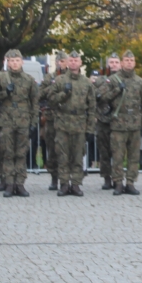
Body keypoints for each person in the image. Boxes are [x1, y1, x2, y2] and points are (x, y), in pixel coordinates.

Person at [0, 49, 39, 197]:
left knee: (21, 153)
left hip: (23, 120)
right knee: (7, 153)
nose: (14, 63)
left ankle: (20, 184)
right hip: (5, 120)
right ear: (7, 62)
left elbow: (34, 103)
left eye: (17, 60)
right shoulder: (0, 78)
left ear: (22, 62)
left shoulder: (29, 80)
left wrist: (33, 123)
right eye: (11, 61)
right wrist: (4, 93)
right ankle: (9, 183)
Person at [98, 50, 142, 194]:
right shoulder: (113, 80)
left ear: (135, 63)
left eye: (131, 60)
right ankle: (118, 182)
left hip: (135, 124)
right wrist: (116, 90)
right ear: (121, 63)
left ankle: (131, 182)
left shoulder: (139, 81)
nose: (129, 63)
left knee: (134, 157)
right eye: (126, 60)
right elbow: (101, 97)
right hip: (118, 124)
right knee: (118, 156)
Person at [50, 51, 96, 196]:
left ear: (80, 63)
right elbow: (51, 99)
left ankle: (76, 184)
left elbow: (92, 107)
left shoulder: (87, 82)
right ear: (67, 62)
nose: (74, 62)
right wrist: (63, 94)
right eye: (71, 60)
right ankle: (64, 184)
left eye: (76, 60)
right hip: (63, 122)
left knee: (78, 156)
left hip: (80, 123)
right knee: (62, 155)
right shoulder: (60, 80)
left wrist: (90, 128)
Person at [39, 51, 68, 189]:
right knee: (52, 149)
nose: (60, 64)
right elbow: (40, 94)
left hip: (68, 118)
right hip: (52, 119)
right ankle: (54, 178)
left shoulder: (72, 77)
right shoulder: (49, 77)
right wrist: (53, 86)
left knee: (67, 150)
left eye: (63, 61)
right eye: (58, 61)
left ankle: (67, 179)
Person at [94, 53, 121, 189]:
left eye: (116, 62)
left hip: (119, 121)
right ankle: (106, 178)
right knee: (104, 151)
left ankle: (117, 178)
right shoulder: (101, 80)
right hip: (103, 120)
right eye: (111, 62)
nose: (114, 65)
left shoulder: (124, 79)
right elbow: (96, 96)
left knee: (118, 152)